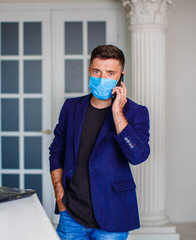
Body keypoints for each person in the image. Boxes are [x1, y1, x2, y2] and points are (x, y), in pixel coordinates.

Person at [49, 45, 150, 240]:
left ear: (121, 75)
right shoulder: (71, 107)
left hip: (113, 215)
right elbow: (56, 152)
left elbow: (138, 156)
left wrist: (118, 113)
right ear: (89, 71)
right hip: (71, 214)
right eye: (97, 71)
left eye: (110, 73)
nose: (102, 78)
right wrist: (60, 195)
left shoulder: (136, 112)